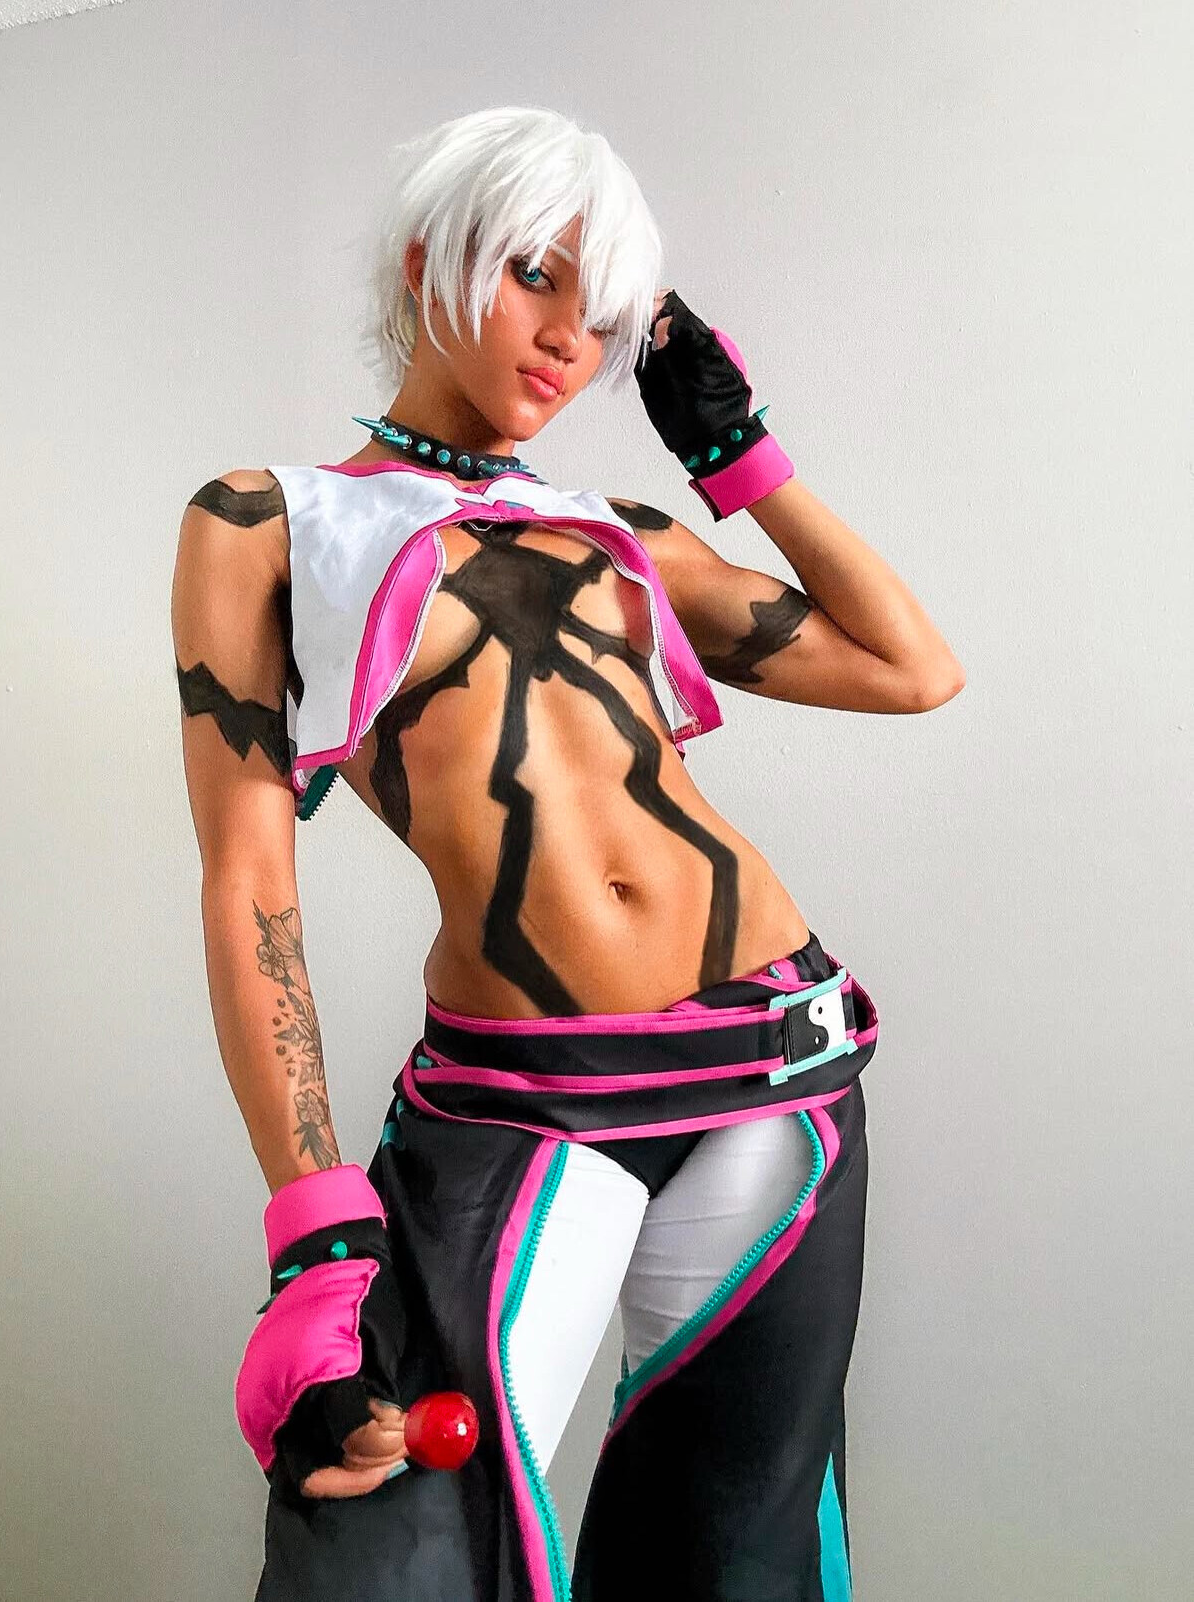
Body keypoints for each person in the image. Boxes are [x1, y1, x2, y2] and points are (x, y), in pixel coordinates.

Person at [171, 104, 964, 1602]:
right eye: (534, 276)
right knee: (386, 1549)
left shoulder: (621, 528)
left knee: (739, 1560)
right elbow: (249, 883)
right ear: (432, 258)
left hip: (779, 1068)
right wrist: (314, 1232)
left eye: (598, 317)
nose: (564, 342)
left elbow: (912, 669)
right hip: (525, 1096)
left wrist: (739, 452)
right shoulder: (270, 522)